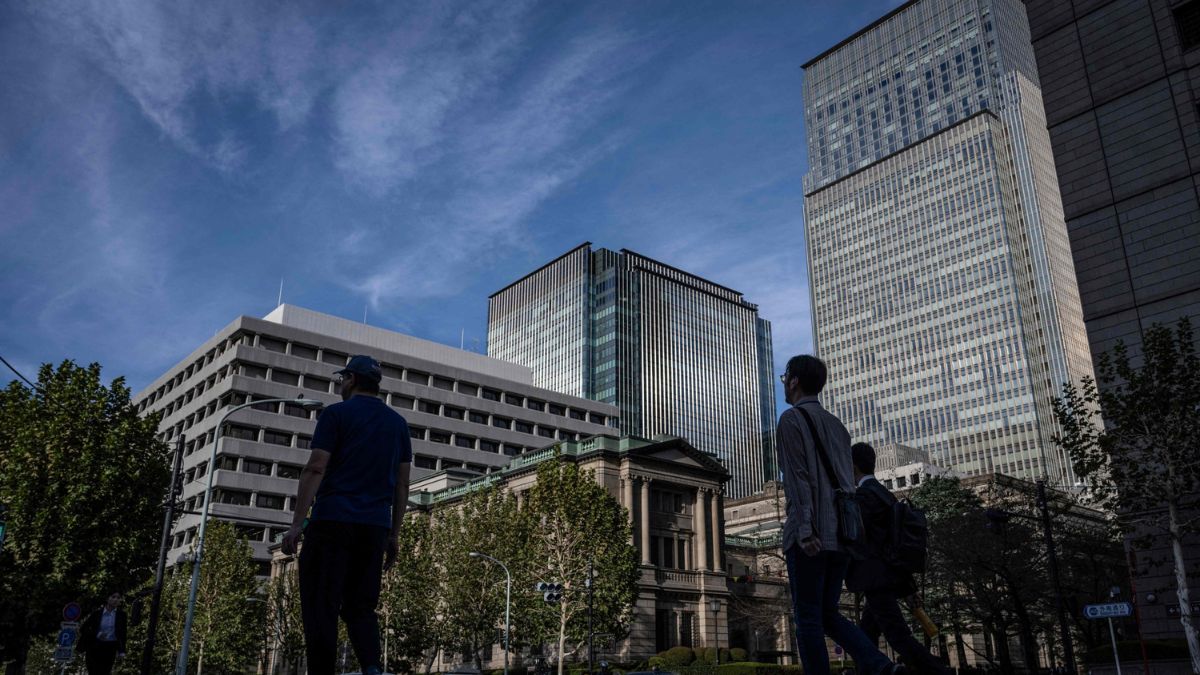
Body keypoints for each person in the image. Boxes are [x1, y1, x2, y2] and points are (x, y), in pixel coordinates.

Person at [282, 355, 412, 675]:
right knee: (361, 607)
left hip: (332, 522)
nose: (340, 385)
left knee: (321, 606)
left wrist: (297, 523)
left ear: (351, 380)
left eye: (341, 380)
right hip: (374, 527)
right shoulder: (398, 424)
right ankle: (371, 668)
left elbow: (315, 467)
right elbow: (403, 485)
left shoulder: (335, 415)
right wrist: (394, 535)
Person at [777, 355, 899, 675]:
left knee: (808, 619)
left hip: (812, 535)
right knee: (828, 613)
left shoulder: (791, 419)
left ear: (794, 381)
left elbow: (798, 477)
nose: (783, 383)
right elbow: (847, 484)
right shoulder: (838, 427)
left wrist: (804, 529)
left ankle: (874, 666)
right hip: (843, 536)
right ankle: (880, 666)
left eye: (784, 377)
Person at [847, 442, 950, 675]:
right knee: (867, 634)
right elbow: (895, 545)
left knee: (897, 635)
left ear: (853, 466)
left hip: (876, 579)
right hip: (889, 577)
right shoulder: (885, 494)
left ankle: (938, 672)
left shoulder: (864, 496)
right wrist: (908, 587)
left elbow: (864, 541)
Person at [78, 592, 127, 674]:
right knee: (93, 671)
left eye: (118, 598)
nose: (116, 599)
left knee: (105, 671)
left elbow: (123, 633)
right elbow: (83, 628)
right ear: (107, 599)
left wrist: (122, 651)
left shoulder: (122, 615)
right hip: (94, 646)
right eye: (113, 596)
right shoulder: (97, 613)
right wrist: (97, 634)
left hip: (110, 647)